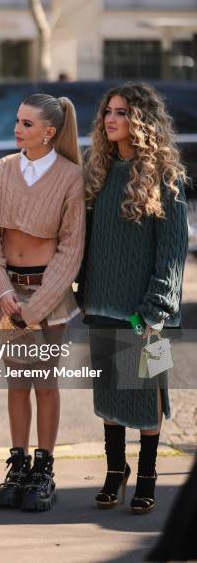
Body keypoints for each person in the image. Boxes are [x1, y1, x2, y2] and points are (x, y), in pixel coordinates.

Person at [77, 83, 188, 514]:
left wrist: (154, 311)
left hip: (148, 313)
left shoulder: (166, 177)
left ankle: (147, 477)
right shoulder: (99, 173)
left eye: (121, 112)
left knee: (148, 393)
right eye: (108, 110)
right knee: (109, 395)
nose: (111, 118)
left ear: (140, 119)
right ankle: (114, 471)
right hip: (102, 305)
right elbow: (90, 243)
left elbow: (173, 253)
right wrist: (84, 294)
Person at [0, 93, 85, 511]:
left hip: (49, 297)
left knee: (45, 383)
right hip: (5, 296)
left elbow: (71, 250)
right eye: (17, 121)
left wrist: (35, 308)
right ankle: (18, 464)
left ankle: (44, 469)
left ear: (49, 132)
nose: (17, 129)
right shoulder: (3, 170)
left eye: (26, 124)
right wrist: (3, 294)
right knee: (16, 383)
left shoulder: (70, 177)